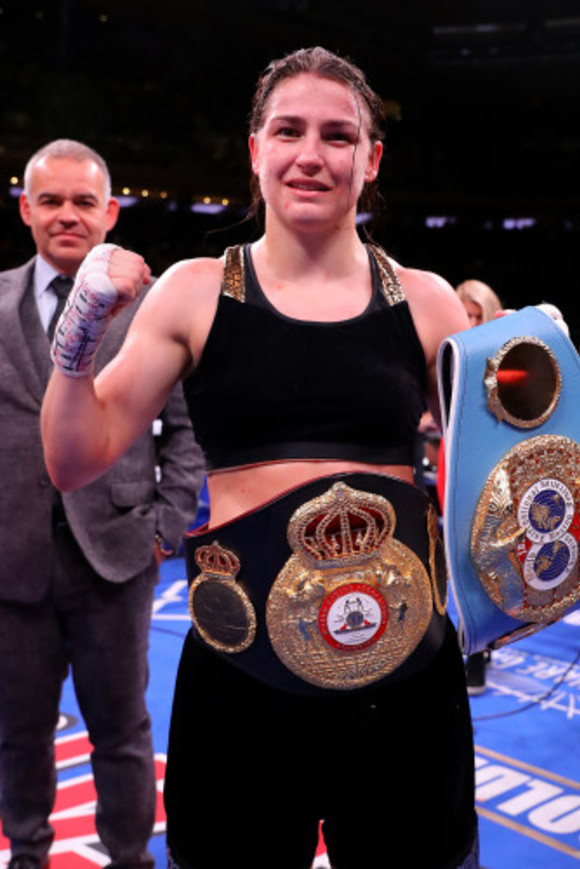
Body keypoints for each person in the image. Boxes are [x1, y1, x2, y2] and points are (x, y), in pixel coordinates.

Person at [41, 50, 479, 868]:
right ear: (254, 149)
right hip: (242, 672)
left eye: (337, 135)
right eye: (289, 130)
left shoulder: (426, 299)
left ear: (371, 158)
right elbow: (73, 459)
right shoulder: (195, 290)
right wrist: (79, 337)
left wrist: (537, 380)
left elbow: (493, 479)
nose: (311, 153)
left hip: (403, 674)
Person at [0, 139, 205, 868]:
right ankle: (25, 854)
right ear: (26, 208)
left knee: (122, 730)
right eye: (50, 200)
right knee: (18, 730)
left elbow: (188, 437)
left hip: (118, 559)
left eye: (84, 201)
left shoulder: (154, 311)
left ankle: (130, 859)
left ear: (110, 213)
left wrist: (163, 528)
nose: (66, 215)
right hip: (11, 564)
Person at [455, 279, 503, 695]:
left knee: (486, 559)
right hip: (446, 475)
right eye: (463, 314)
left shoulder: (502, 356)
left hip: (488, 473)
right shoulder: (443, 354)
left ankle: (480, 652)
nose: (469, 322)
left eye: (476, 316)